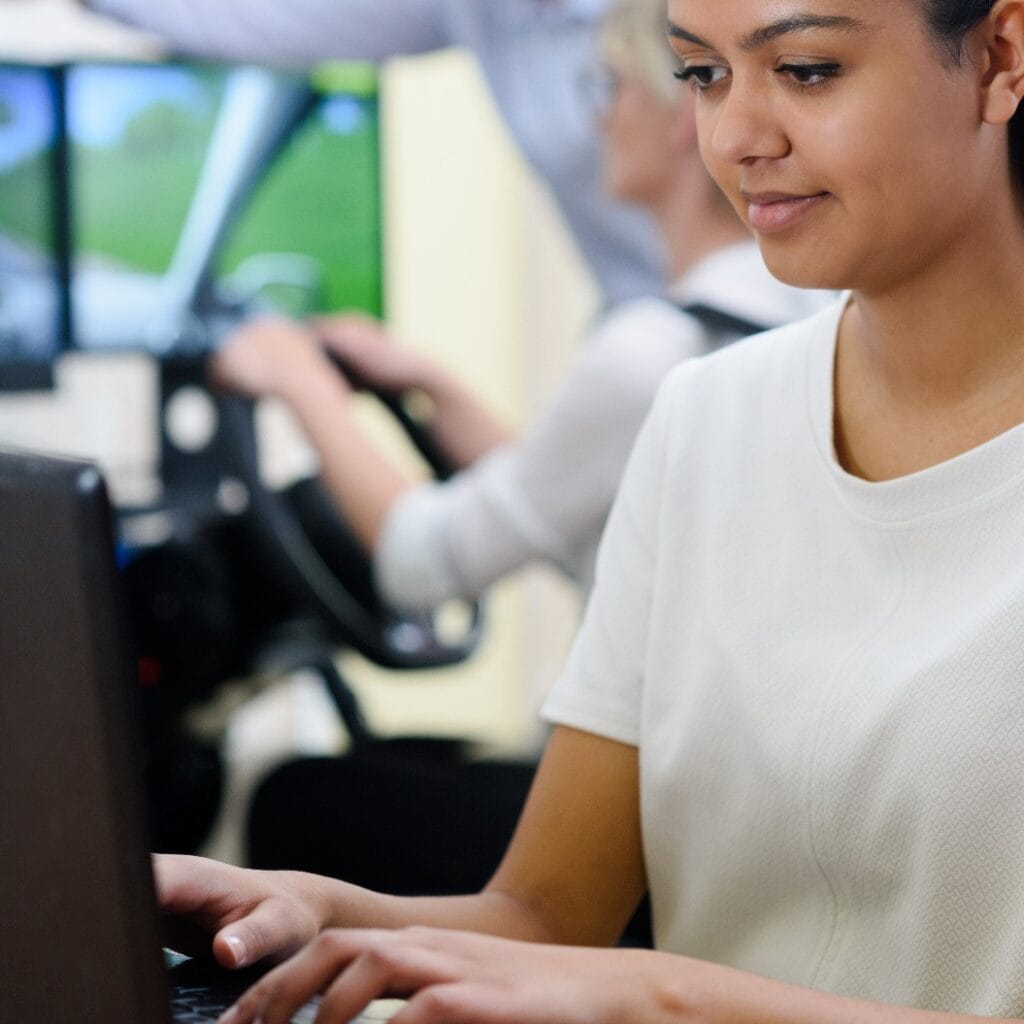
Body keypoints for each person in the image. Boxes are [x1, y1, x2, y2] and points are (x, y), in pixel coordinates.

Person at [156, 0, 1024, 1018]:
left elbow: (611, 974)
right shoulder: (704, 418)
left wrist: (649, 993)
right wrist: (327, 913)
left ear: (999, 59)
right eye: (702, 75)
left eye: (805, 70)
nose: (736, 137)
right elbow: (541, 917)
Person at [218, 0, 827, 902]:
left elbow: (419, 562)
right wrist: (431, 386)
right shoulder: (786, 320)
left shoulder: (650, 352)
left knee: (290, 797)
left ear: (675, 120)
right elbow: (577, 508)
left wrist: (295, 381)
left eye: (610, 87)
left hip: (658, 837)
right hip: (744, 812)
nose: (592, 117)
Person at [75, 0, 665, 306]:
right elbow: (268, 18)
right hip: (649, 336)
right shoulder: (488, 10)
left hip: (717, 330)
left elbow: (445, 538)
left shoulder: (671, 23)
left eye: (609, 86)